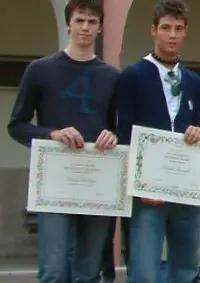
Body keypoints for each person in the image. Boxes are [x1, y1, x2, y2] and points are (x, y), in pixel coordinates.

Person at [7, 0, 120, 282]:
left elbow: (121, 129)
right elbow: (17, 125)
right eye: (80, 20)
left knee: (88, 271)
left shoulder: (112, 77)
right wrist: (51, 134)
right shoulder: (40, 70)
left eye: (92, 22)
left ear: (100, 27)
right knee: (54, 271)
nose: (85, 27)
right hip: (54, 183)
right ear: (69, 22)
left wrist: (114, 135)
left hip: (97, 183)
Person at [115, 1, 200, 282]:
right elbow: (125, 133)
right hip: (147, 194)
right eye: (166, 28)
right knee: (144, 268)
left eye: (178, 29)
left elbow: (197, 125)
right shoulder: (133, 75)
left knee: (185, 266)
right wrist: (139, 184)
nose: (172, 35)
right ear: (153, 30)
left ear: (186, 32)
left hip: (185, 190)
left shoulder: (193, 81)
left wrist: (197, 132)